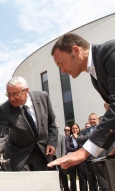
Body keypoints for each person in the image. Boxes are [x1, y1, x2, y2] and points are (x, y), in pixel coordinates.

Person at [48, 33, 115, 169]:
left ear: (76, 50)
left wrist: (85, 151)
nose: (62, 71)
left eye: (61, 63)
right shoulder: (94, 75)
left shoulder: (110, 53)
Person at [0, 76, 58, 171]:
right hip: (21, 156)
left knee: (41, 183)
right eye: (8, 94)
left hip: (43, 152)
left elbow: (51, 122)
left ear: (26, 91)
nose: (11, 98)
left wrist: (52, 142)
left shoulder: (43, 97)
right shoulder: (5, 109)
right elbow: (2, 135)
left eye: (15, 94)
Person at [77, 113, 112, 191]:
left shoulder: (101, 129)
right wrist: (91, 136)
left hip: (98, 157)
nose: (92, 121)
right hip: (87, 158)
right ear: (88, 120)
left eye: (94, 119)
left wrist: (87, 137)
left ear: (97, 120)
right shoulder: (85, 130)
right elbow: (79, 140)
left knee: (101, 178)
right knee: (91, 179)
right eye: (90, 119)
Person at [65, 123, 88, 191]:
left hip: (80, 158)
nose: (75, 130)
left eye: (76, 128)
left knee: (82, 176)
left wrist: (77, 139)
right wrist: (77, 150)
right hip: (71, 158)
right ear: (71, 130)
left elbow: (82, 146)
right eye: (73, 128)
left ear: (78, 129)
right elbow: (68, 148)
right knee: (72, 176)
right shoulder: (68, 138)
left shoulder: (81, 137)